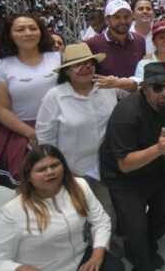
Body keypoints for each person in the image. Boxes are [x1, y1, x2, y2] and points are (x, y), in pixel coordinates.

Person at [0, 145, 124, 271]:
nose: (50, 172)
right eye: (41, 169)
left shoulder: (79, 186)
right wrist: (20, 268)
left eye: (55, 165)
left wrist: (96, 257)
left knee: (114, 267)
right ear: (28, 177)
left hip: (79, 260)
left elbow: (101, 221)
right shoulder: (12, 212)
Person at [98, 62, 165, 271]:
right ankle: (140, 258)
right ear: (144, 88)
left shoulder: (164, 105)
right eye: (157, 87)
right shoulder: (126, 114)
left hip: (152, 170)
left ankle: (147, 244)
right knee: (135, 229)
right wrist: (158, 150)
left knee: (164, 214)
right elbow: (124, 164)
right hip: (124, 179)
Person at [35, 43, 121, 242]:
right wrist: (56, 171)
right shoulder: (55, 97)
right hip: (71, 170)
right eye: (78, 65)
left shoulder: (106, 88)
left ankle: (104, 253)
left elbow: (135, 87)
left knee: (107, 215)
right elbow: (45, 139)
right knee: (75, 219)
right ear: (66, 71)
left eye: (89, 63)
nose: (85, 67)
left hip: (105, 167)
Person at [0, 13, 61, 187]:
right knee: (34, 189)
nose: (28, 33)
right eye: (20, 29)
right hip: (24, 133)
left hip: (62, 127)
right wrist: (31, 134)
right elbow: (1, 109)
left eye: (33, 28)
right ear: (10, 34)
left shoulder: (58, 58)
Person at [86, 0, 146, 78]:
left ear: (132, 17)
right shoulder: (93, 44)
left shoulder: (139, 41)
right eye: (117, 17)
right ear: (107, 19)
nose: (123, 21)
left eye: (126, 16)